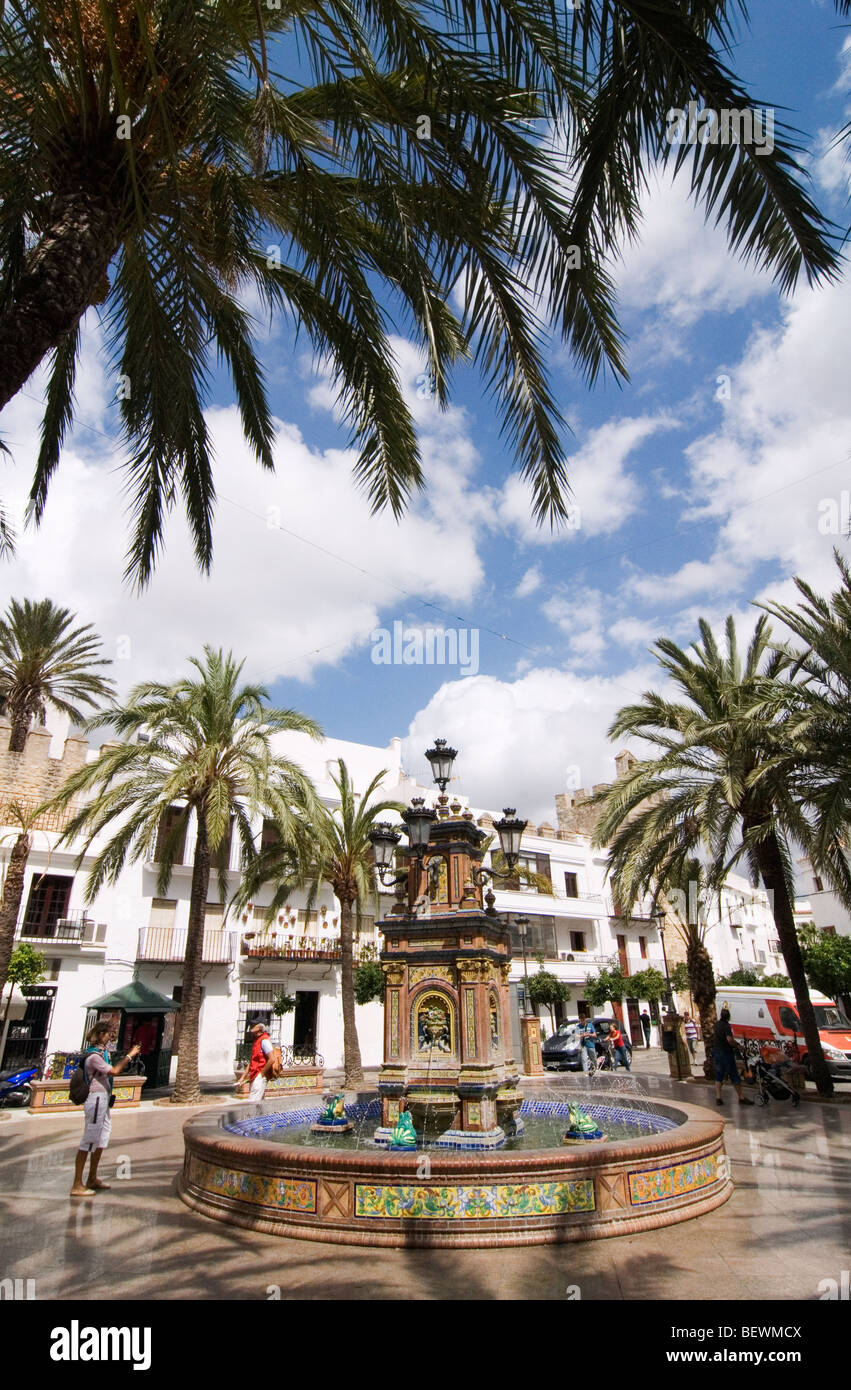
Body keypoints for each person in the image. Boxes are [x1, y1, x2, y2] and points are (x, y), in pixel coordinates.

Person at [70, 1022, 142, 1198]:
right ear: (100, 1034)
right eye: (108, 1033)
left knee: (102, 1138)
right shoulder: (94, 1056)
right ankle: (77, 1184)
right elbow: (115, 1071)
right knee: (89, 1140)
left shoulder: (103, 1054)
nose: (111, 1036)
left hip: (103, 1100)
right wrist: (130, 1056)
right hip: (95, 1100)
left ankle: (92, 1178)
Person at [713, 1007, 753, 1106]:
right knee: (734, 1074)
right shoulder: (726, 1026)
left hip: (717, 1052)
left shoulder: (716, 1025)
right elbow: (729, 1040)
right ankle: (741, 1097)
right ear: (728, 1017)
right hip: (726, 1053)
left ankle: (718, 1098)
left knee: (719, 1075)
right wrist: (738, 1046)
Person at [236, 1021, 274, 1101]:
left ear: (259, 1028)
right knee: (258, 1104)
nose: (251, 1026)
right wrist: (243, 1077)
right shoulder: (257, 1041)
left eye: (254, 1025)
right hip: (254, 1075)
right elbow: (252, 1061)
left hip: (259, 1076)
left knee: (253, 1103)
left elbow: (272, 1059)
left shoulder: (264, 1041)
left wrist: (261, 1074)